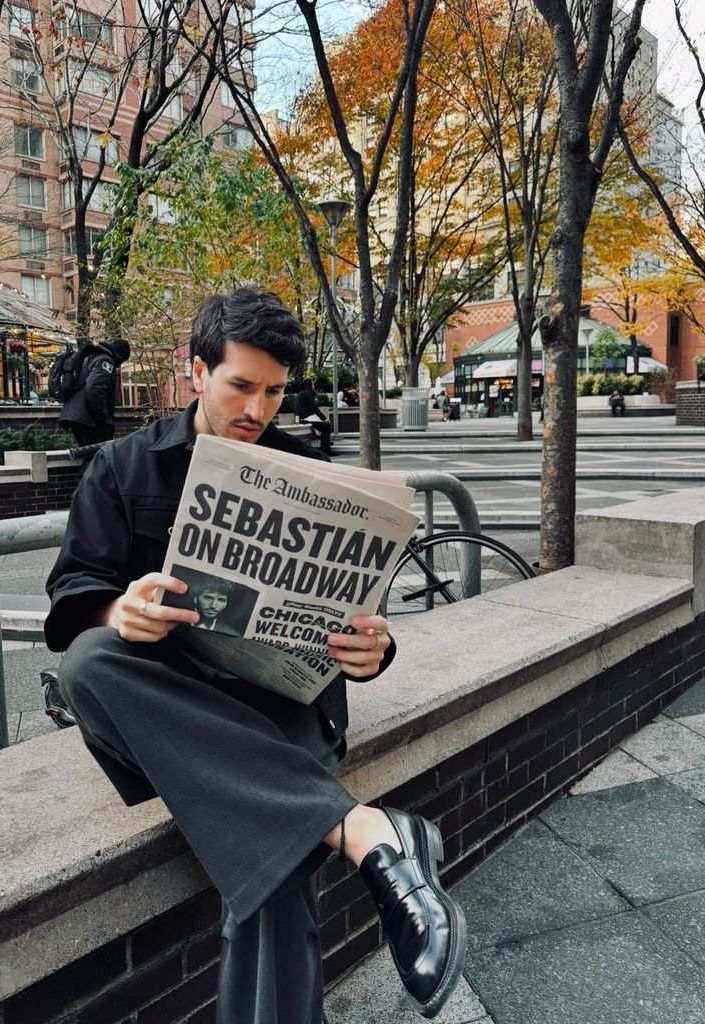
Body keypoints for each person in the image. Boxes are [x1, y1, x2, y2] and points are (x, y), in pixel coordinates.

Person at [45, 289, 466, 1023]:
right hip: (169, 703)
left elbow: (359, 613)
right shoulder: (120, 467)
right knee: (87, 661)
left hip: (281, 702)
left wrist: (374, 648)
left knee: (270, 863)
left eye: (273, 390)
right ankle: (367, 831)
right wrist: (121, 610)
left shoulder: (307, 466)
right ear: (195, 372)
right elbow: (71, 593)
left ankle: (358, 832)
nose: (257, 408)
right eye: (240, 384)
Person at [58, 337, 131, 446]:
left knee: (90, 456)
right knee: (97, 456)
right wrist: (103, 418)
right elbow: (94, 389)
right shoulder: (106, 361)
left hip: (78, 414)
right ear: (119, 355)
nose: (120, 364)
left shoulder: (92, 357)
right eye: (122, 360)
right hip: (89, 418)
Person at [294, 377, 334, 454]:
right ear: (308, 385)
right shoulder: (307, 393)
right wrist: (324, 418)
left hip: (302, 417)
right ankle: (327, 449)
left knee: (323, 427)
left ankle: (325, 444)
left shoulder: (302, 393)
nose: (313, 386)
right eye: (312, 384)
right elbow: (314, 408)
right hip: (307, 417)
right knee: (326, 427)